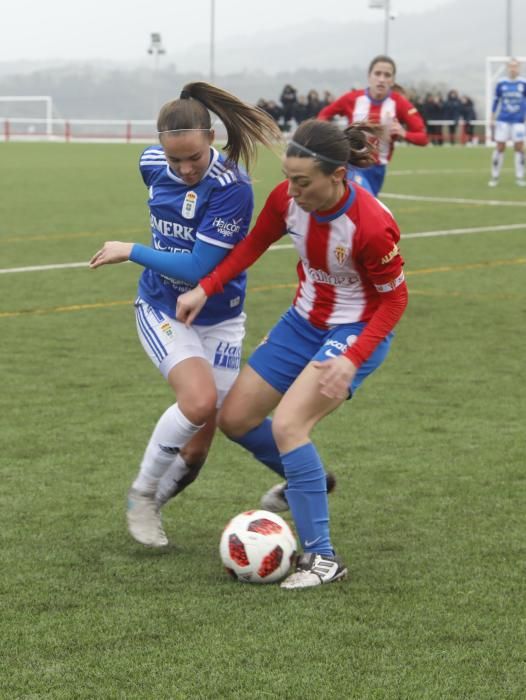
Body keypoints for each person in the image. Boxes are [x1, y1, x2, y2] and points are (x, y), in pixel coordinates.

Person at [175, 119, 409, 589]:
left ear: (337, 175)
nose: (292, 190)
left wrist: (352, 357)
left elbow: (394, 301)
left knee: (289, 425)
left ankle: (323, 558)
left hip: (355, 331)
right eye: (288, 178)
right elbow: (252, 245)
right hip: (302, 323)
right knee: (235, 419)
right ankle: (311, 482)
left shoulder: (371, 226)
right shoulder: (287, 200)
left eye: (302, 181)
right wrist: (207, 286)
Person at [89, 82, 282, 547]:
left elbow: (199, 267)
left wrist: (130, 249)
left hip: (221, 317)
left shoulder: (232, 188)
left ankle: (156, 504)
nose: (185, 167)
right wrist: (143, 255)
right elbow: (179, 255)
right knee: (197, 403)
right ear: (160, 150)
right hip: (162, 308)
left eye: (193, 156)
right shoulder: (150, 164)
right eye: (174, 159)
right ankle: (141, 495)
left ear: (211, 138)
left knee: (197, 449)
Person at [317, 55, 428, 195]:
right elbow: (324, 115)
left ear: (392, 80)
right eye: (377, 73)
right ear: (369, 76)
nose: (381, 79)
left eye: (387, 75)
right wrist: (332, 136)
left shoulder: (399, 104)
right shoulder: (352, 98)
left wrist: (403, 133)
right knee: (358, 203)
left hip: (377, 169)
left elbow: (423, 137)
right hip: (351, 164)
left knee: (363, 209)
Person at [489, 58, 526, 187]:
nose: (513, 69)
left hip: (518, 121)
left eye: (515, 66)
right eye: (511, 66)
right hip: (503, 120)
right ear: (508, 67)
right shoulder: (501, 83)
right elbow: (496, 101)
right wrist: (492, 117)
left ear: (519, 68)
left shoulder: (523, 83)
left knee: (520, 148)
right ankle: (495, 176)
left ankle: (519, 177)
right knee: (500, 147)